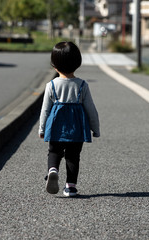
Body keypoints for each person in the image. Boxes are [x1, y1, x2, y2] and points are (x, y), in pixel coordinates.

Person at [39, 41, 100, 197]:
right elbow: (91, 109)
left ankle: (53, 169)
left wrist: (42, 128)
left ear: (54, 65)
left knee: (54, 151)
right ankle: (70, 187)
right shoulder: (82, 85)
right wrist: (95, 128)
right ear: (77, 63)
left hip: (56, 127)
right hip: (76, 128)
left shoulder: (51, 85)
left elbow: (45, 110)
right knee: (73, 157)